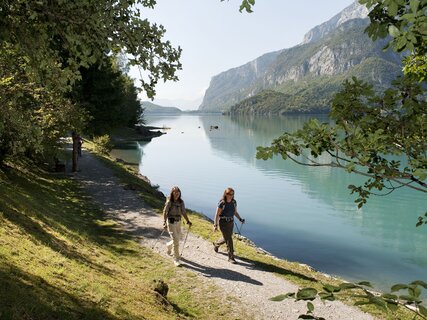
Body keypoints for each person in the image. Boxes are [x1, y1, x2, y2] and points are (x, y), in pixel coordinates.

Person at [212, 187, 245, 264]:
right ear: (225, 194)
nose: (231, 195)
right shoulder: (222, 203)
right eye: (229, 194)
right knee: (229, 239)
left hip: (231, 222)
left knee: (227, 237)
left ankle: (216, 244)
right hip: (223, 223)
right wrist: (215, 225)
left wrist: (240, 219)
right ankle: (231, 257)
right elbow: (217, 214)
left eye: (232, 194)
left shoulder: (234, 202)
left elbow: (235, 212)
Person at [163, 186, 192, 266]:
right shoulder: (169, 201)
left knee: (177, 239)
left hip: (178, 222)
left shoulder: (181, 202)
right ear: (172, 193)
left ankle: (169, 245)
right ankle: (176, 259)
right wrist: (164, 223)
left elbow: (184, 212)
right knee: (176, 240)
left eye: (177, 192)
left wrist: (188, 221)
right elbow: (165, 212)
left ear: (180, 193)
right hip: (171, 222)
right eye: (174, 192)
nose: (176, 193)